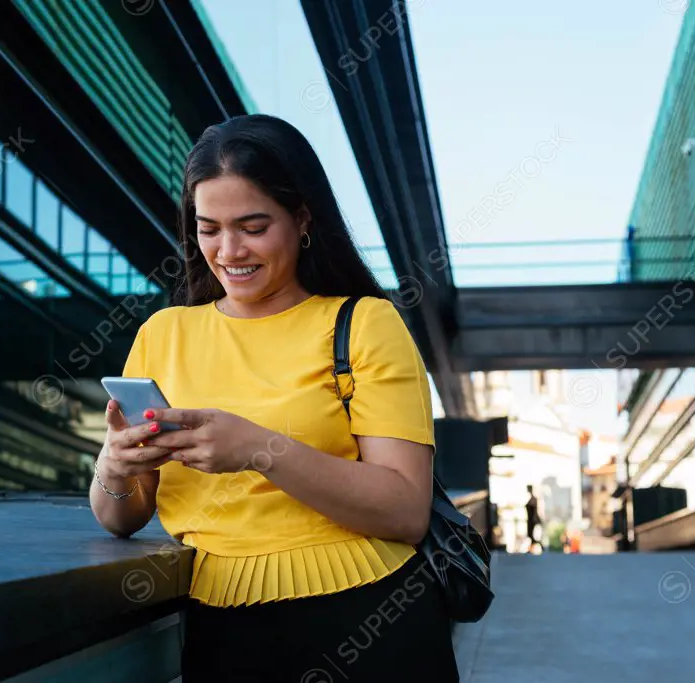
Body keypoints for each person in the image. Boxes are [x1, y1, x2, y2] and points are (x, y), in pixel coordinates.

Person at [89, 114, 459, 682]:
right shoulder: (163, 335)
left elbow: (406, 510)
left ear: (303, 219)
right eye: (208, 228)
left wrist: (258, 448)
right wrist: (114, 465)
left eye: (253, 226)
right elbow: (120, 518)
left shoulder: (364, 323)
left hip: (372, 618)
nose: (228, 250)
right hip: (219, 631)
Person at [525, 485, 542, 553]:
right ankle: (531, 548)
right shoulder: (531, 499)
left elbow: (535, 510)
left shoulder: (534, 499)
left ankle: (540, 545)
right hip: (529, 519)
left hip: (532, 520)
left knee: (532, 535)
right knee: (530, 535)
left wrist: (534, 518)